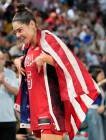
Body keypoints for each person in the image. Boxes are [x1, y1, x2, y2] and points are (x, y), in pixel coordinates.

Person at [12, 4, 99, 140]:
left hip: (51, 108)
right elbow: (32, 61)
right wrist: (18, 61)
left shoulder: (48, 39)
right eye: (15, 32)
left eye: (20, 30)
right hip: (36, 109)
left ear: (32, 24)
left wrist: (48, 59)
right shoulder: (27, 48)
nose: (18, 35)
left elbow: (71, 65)